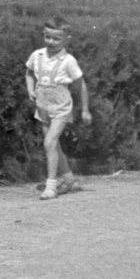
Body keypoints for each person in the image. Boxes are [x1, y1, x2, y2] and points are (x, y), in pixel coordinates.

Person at [25, 16, 91, 199]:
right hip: (43, 105)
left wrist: (85, 109)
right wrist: (30, 89)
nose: (51, 42)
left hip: (61, 106)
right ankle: (69, 181)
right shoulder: (37, 55)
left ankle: (51, 186)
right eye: (48, 37)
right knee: (54, 146)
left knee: (49, 143)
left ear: (66, 39)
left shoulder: (68, 61)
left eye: (56, 39)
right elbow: (29, 73)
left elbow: (81, 84)